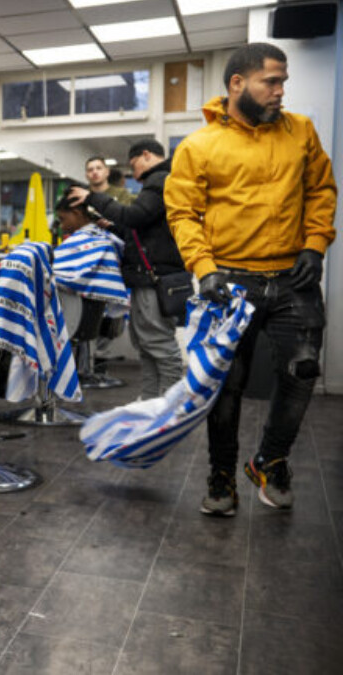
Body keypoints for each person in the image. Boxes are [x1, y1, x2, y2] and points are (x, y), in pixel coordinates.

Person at [166, 42, 336, 516]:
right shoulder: (199, 146)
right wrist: (205, 269)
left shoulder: (300, 131)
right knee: (225, 385)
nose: (281, 91)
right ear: (237, 83)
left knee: (301, 372)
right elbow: (182, 213)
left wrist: (315, 245)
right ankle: (221, 473)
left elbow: (321, 189)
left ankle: (270, 460)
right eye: (272, 81)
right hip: (230, 283)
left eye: (284, 81)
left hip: (293, 279)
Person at [70, 139, 184, 398]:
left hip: (154, 277)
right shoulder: (158, 182)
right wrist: (111, 226)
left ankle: (171, 405)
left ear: (146, 155)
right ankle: (150, 402)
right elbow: (139, 231)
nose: (132, 174)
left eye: (133, 166)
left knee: (159, 344)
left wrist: (92, 198)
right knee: (146, 345)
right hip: (149, 277)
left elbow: (134, 217)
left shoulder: (160, 180)